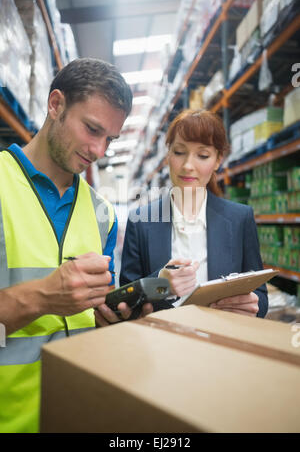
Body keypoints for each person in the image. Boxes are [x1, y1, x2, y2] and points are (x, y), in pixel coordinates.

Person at [0, 58, 152, 433]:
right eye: (92, 129)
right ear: (56, 105)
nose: (99, 150)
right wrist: (42, 297)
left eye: (110, 139)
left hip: (80, 412)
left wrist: (116, 319)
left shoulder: (102, 214)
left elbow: (93, 320)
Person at [120, 109, 268, 318]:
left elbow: (259, 294)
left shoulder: (239, 219)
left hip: (222, 341)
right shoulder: (140, 221)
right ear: (168, 154)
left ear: (217, 160)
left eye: (203, 155)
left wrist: (254, 305)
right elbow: (125, 302)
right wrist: (160, 283)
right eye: (179, 152)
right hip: (161, 343)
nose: (188, 166)